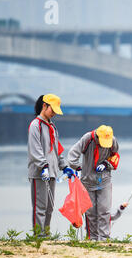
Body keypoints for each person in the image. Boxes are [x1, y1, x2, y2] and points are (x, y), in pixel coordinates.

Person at [28, 94, 74, 235]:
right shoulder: (36, 125)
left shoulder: (52, 126)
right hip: (40, 173)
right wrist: (44, 167)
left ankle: (45, 234)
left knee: (49, 208)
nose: (53, 113)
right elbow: (35, 149)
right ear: (44, 106)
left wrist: (64, 166)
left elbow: (56, 150)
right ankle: (38, 235)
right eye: (52, 110)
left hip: (52, 172)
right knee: (40, 207)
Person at [67, 125, 120, 241]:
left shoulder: (112, 140)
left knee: (104, 209)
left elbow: (115, 155)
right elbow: (72, 154)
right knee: (90, 211)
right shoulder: (87, 139)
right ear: (97, 136)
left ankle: (104, 237)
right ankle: (93, 237)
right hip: (88, 180)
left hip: (104, 179)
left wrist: (106, 164)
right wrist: (78, 168)